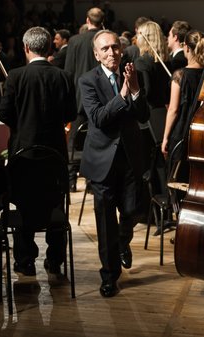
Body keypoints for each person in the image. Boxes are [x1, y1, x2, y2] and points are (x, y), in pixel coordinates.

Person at [0, 26, 76, 276]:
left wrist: (21, 124)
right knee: (55, 205)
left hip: (24, 154)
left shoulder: (16, 76)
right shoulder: (63, 76)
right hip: (54, 154)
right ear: (49, 48)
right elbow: (71, 114)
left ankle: (24, 260)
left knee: (23, 206)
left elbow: (3, 113)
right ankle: (55, 260)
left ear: (26, 48)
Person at [78, 30, 150, 298]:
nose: (112, 53)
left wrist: (135, 90)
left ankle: (123, 241)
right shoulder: (87, 80)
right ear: (96, 54)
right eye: (105, 49)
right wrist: (122, 95)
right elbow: (98, 118)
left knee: (133, 210)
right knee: (105, 222)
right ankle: (109, 276)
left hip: (130, 157)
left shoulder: (132, 73)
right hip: (101, 160)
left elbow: (143, 115)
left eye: (116, 47)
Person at [64, 7, 105, 191]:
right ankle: (91, 181)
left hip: (79, 97)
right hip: (101, 98)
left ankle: (71, 180)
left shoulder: (75, 41)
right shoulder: (105, 39)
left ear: (87, 20)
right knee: (95, 139)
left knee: (73, 140)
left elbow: (69, 72)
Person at [161, 30, 204, 180]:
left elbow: (173, 110)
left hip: (182, 132)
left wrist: (165, 138)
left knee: (177, 178)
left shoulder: (180, 75)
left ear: (186, 47)